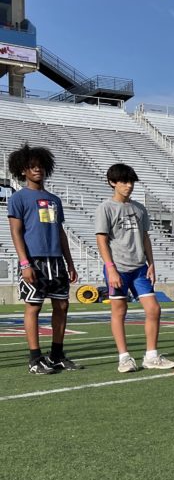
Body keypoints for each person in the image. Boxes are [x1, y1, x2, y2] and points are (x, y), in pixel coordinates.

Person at [94, 163, 174, 373]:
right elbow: (101, 240)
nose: (128, 186)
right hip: (118, 268)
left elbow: (145, 237)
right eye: (123, 181)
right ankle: (124, 358)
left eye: (131, 181)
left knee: (154, 309)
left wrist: (151, 264)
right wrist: (110, 268)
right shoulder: (105, 208)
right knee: (119, 311)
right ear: (112, 183)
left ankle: (151, 356)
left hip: (140, 267)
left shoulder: (139, 208)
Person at [6, 143, 81, 374]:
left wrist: (69, 262)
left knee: (62, 305)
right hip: (34, 260)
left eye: (40, 166)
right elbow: (16, 232)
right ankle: (34, 359)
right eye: (32, 166)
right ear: (22, 171)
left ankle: (57, 355)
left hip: (55, 261)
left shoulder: (54, 200)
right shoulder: (18, 198)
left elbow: (60, 232)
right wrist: (25, 263)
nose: (37, 170)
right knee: (34, 307)